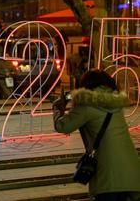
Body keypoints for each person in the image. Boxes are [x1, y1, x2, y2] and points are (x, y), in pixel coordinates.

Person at [53, 70, 140, 201]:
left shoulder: (87, 104)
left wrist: (57, 109)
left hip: (109, 176)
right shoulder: (114, 104)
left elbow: (63, 126)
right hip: (132, 171)